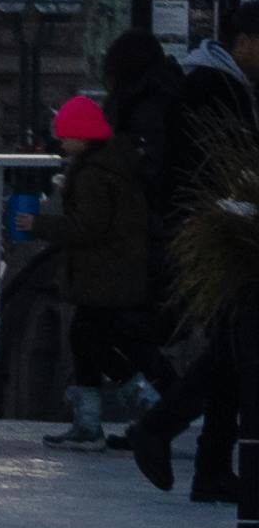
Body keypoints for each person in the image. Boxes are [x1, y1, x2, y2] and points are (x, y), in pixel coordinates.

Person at [128, 1, 258, 503]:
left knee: (232, 351)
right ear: (244, 40)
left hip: (216, 232)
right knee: (232, 349)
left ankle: (209, 465)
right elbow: (220, 168)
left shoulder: (214, 82)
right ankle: (162, 430)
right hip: (220, 235)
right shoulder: (215, 88)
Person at [53, 41, 177, 433]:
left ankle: (147, 403)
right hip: (114, 262)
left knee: (95, 336)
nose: (59, 143)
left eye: (65, 135)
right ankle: (93, 421)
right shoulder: (112, 155)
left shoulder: (97, 170)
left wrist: (37, 226)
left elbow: (90, 226)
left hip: (111, 267)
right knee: (89, 336)